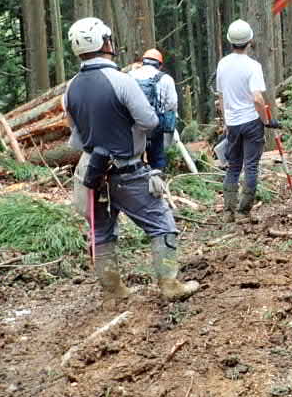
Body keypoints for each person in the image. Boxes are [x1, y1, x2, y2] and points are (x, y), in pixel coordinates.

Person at [64, 17, 200, 303]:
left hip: (92, 171)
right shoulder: (121, 81)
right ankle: (170, 284)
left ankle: (114, 291)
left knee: (101, 231)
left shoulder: (71, 88)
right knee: (161, 223)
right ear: (104, 43)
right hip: (128, 170)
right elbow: (149, 121)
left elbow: (76, 138)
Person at [214, 19, 278, 218]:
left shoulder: (222, 64)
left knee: (233, 166)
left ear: (230, 41)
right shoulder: (253, 66)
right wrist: (266, 120)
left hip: (233, 123)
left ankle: (228, 211)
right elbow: (258, 98)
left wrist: (226, 122)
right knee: (250, 166)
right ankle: (244, 212)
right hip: (251, 122)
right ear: (249, 41)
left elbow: (221, 97)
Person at [132, 48, 178, 171]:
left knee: (134, 158)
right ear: (160, 65)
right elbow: (172, 104)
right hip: (155, 123)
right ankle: (158, 183)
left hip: (134, 124)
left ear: (143, 62)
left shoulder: (130, 76)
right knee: (157, 157)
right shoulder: (166, 79)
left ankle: (138, 184)